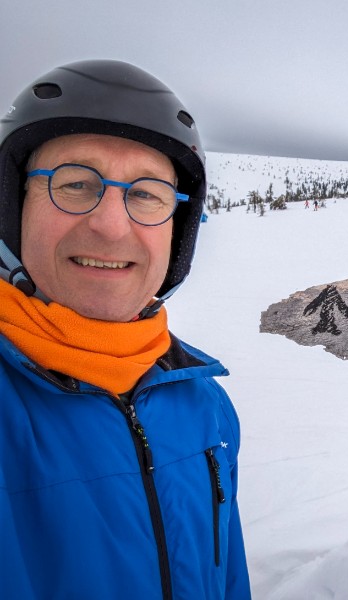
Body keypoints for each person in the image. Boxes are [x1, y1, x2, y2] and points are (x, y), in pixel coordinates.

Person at [0, 60, 251, 599]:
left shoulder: (205, 404)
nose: (111, 226)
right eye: (73, 183)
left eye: (145, 194)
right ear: (13, 208)